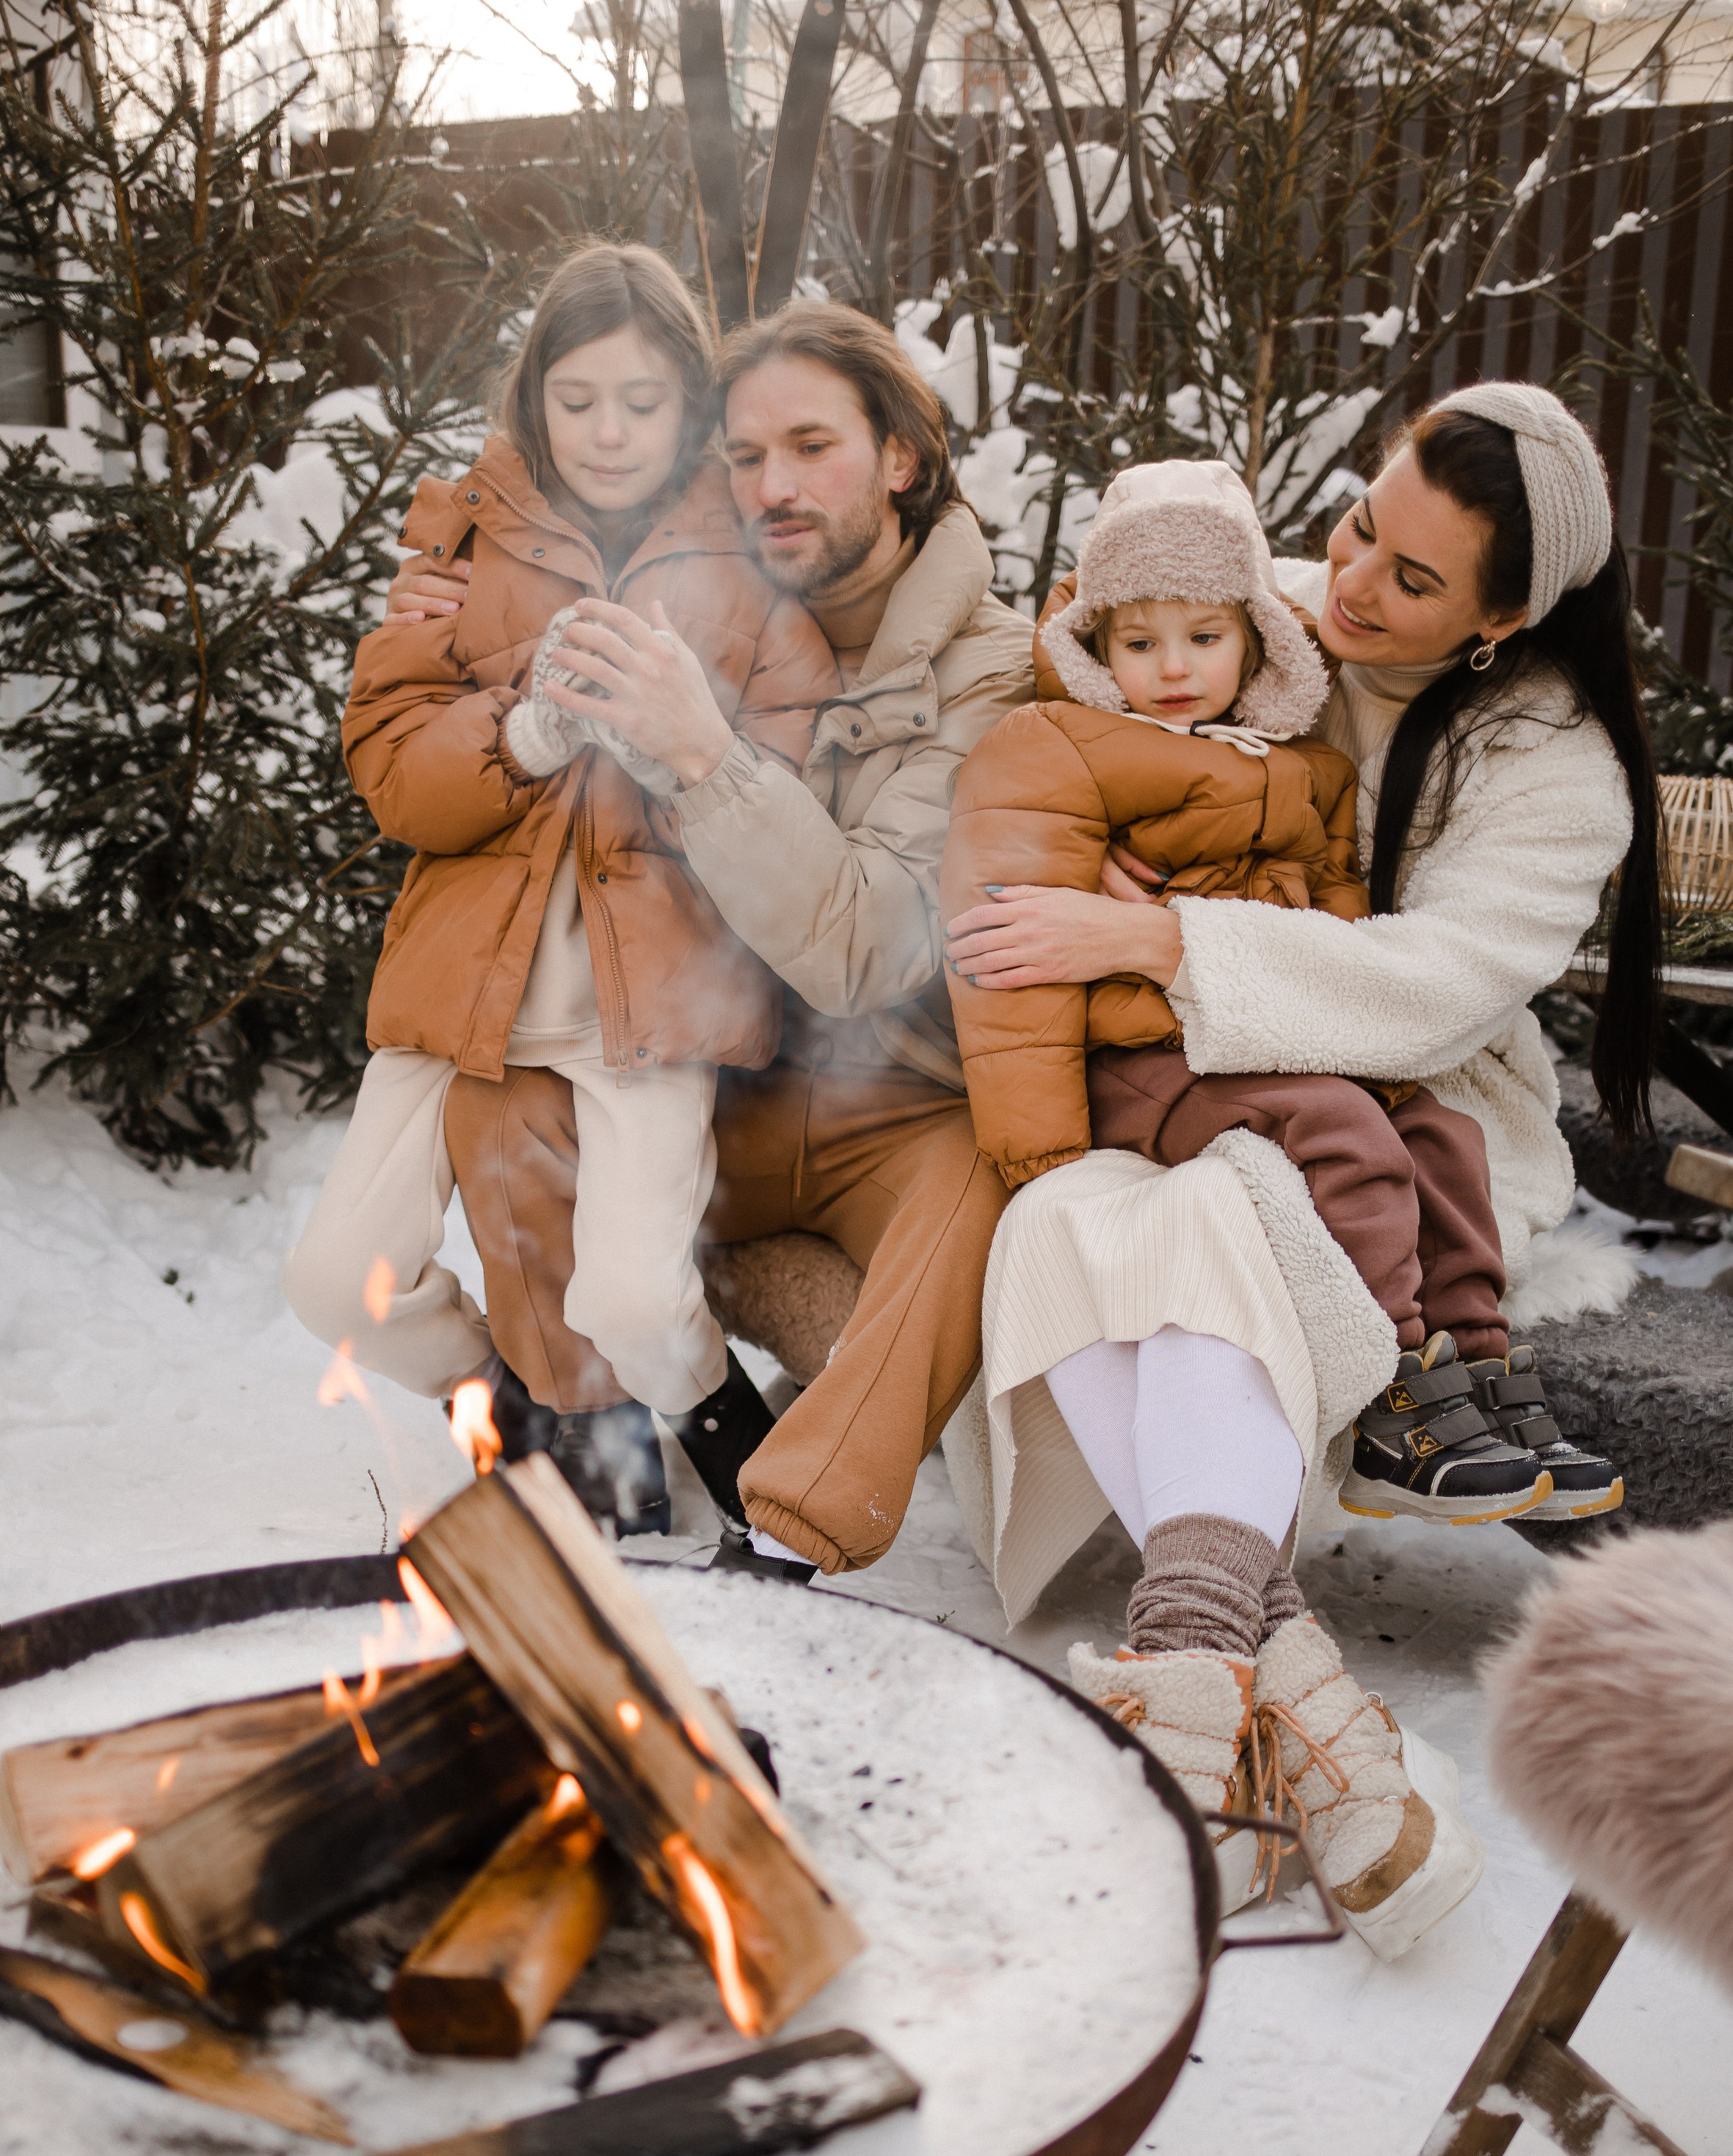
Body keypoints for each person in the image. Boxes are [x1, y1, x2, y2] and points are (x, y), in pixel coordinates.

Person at [942, 383, 1662, 1959]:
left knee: (1213, 1225)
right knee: (1056, 1220)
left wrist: (1161, 928)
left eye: (1409, 582)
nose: (1341, 588)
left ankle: (1213, 1652)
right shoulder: (1244, 615)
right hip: (1154, 1061)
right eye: (1353, 529)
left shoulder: (1553, 768)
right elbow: (1052, 666)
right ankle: (1299, 1707)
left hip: (1409, 1114)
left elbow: (1431, 987)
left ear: (1501, 617)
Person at [385, 300, 1033, 1579]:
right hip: (705, 1081)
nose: (772, 488)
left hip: (877, 1101)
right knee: (518, 1102)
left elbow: (875, 945)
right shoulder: (687, 607)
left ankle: (795, 1517)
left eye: (811, 446)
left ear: (902, 453)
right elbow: (475, 720)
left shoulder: (992, 671)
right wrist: (442, 618)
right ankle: (578, 1433)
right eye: (742, 458)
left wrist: (705, 753)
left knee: (977, 1171)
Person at [285, 244, 836, 1534]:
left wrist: (676, 746)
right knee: (336, 1281)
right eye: (577, 399)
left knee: (637, 1302)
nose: (607, 432)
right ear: (535, 394)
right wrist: (524, 733)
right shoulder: (461, 541)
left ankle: (758, 1483)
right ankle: (508, 1409)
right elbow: (391, 768)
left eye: (642, 403)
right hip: (458, 997)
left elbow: (792, 773)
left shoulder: (747, 565)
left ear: (691, 404)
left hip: (647, 1012)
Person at [942, 454, 1592, 1531]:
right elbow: (1007, 965)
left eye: (1204, 641)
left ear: (1256, 638)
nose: (1175, 667)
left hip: (1260, 1038)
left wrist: (1291, 989)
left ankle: (1472, 1366)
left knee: (1440, 1134)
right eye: (1139, 646)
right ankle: (1386, 1390)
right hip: (1139, 1057)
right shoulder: (1056, 745)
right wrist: (1038, 1159)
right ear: (1099, 647)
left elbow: (1345, 918)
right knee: (1343, 1131)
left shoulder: (1304, 765)